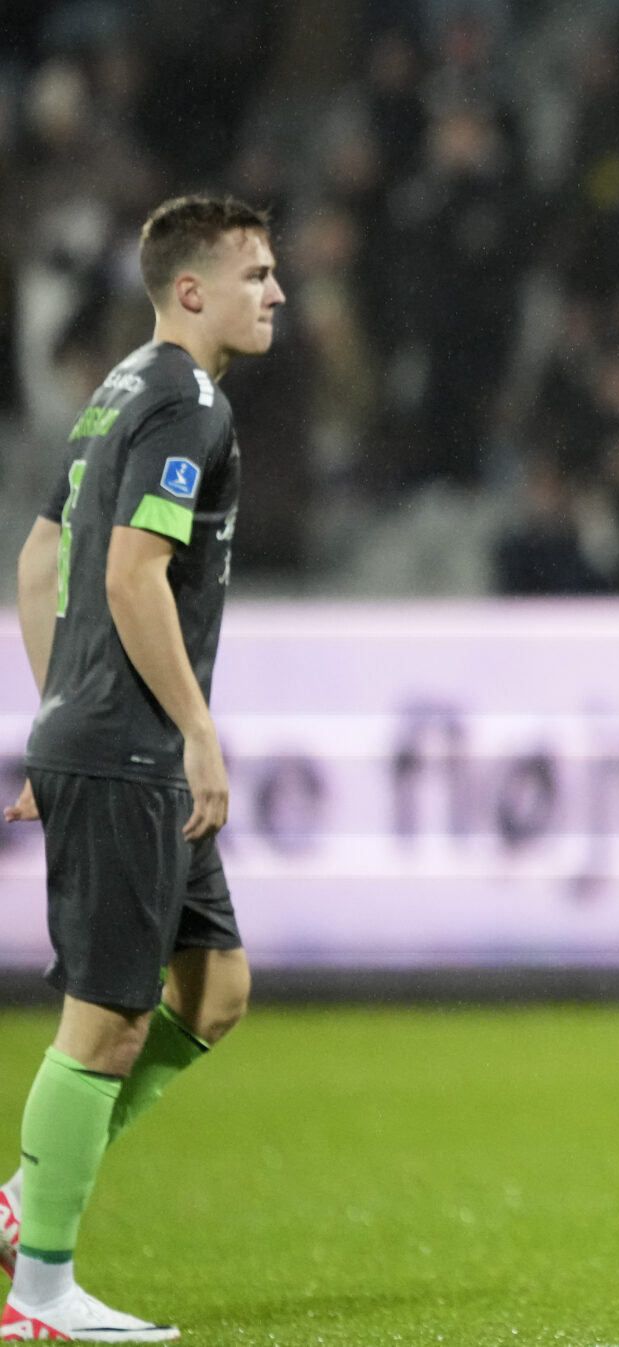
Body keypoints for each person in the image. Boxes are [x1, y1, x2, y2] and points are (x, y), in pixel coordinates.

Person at [1, 194, 284, 1343]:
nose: (277, 294)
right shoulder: (187, 404)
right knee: (107, 1019)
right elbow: (125, 576)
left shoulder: (114, 392)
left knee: (213, 994)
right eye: (256, 275)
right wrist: (198, 733)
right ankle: (41, 1293)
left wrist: (53, 707)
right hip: (132, 750)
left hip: (102, 732)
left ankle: (25, 1200)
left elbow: (36, 561)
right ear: (191, 291)